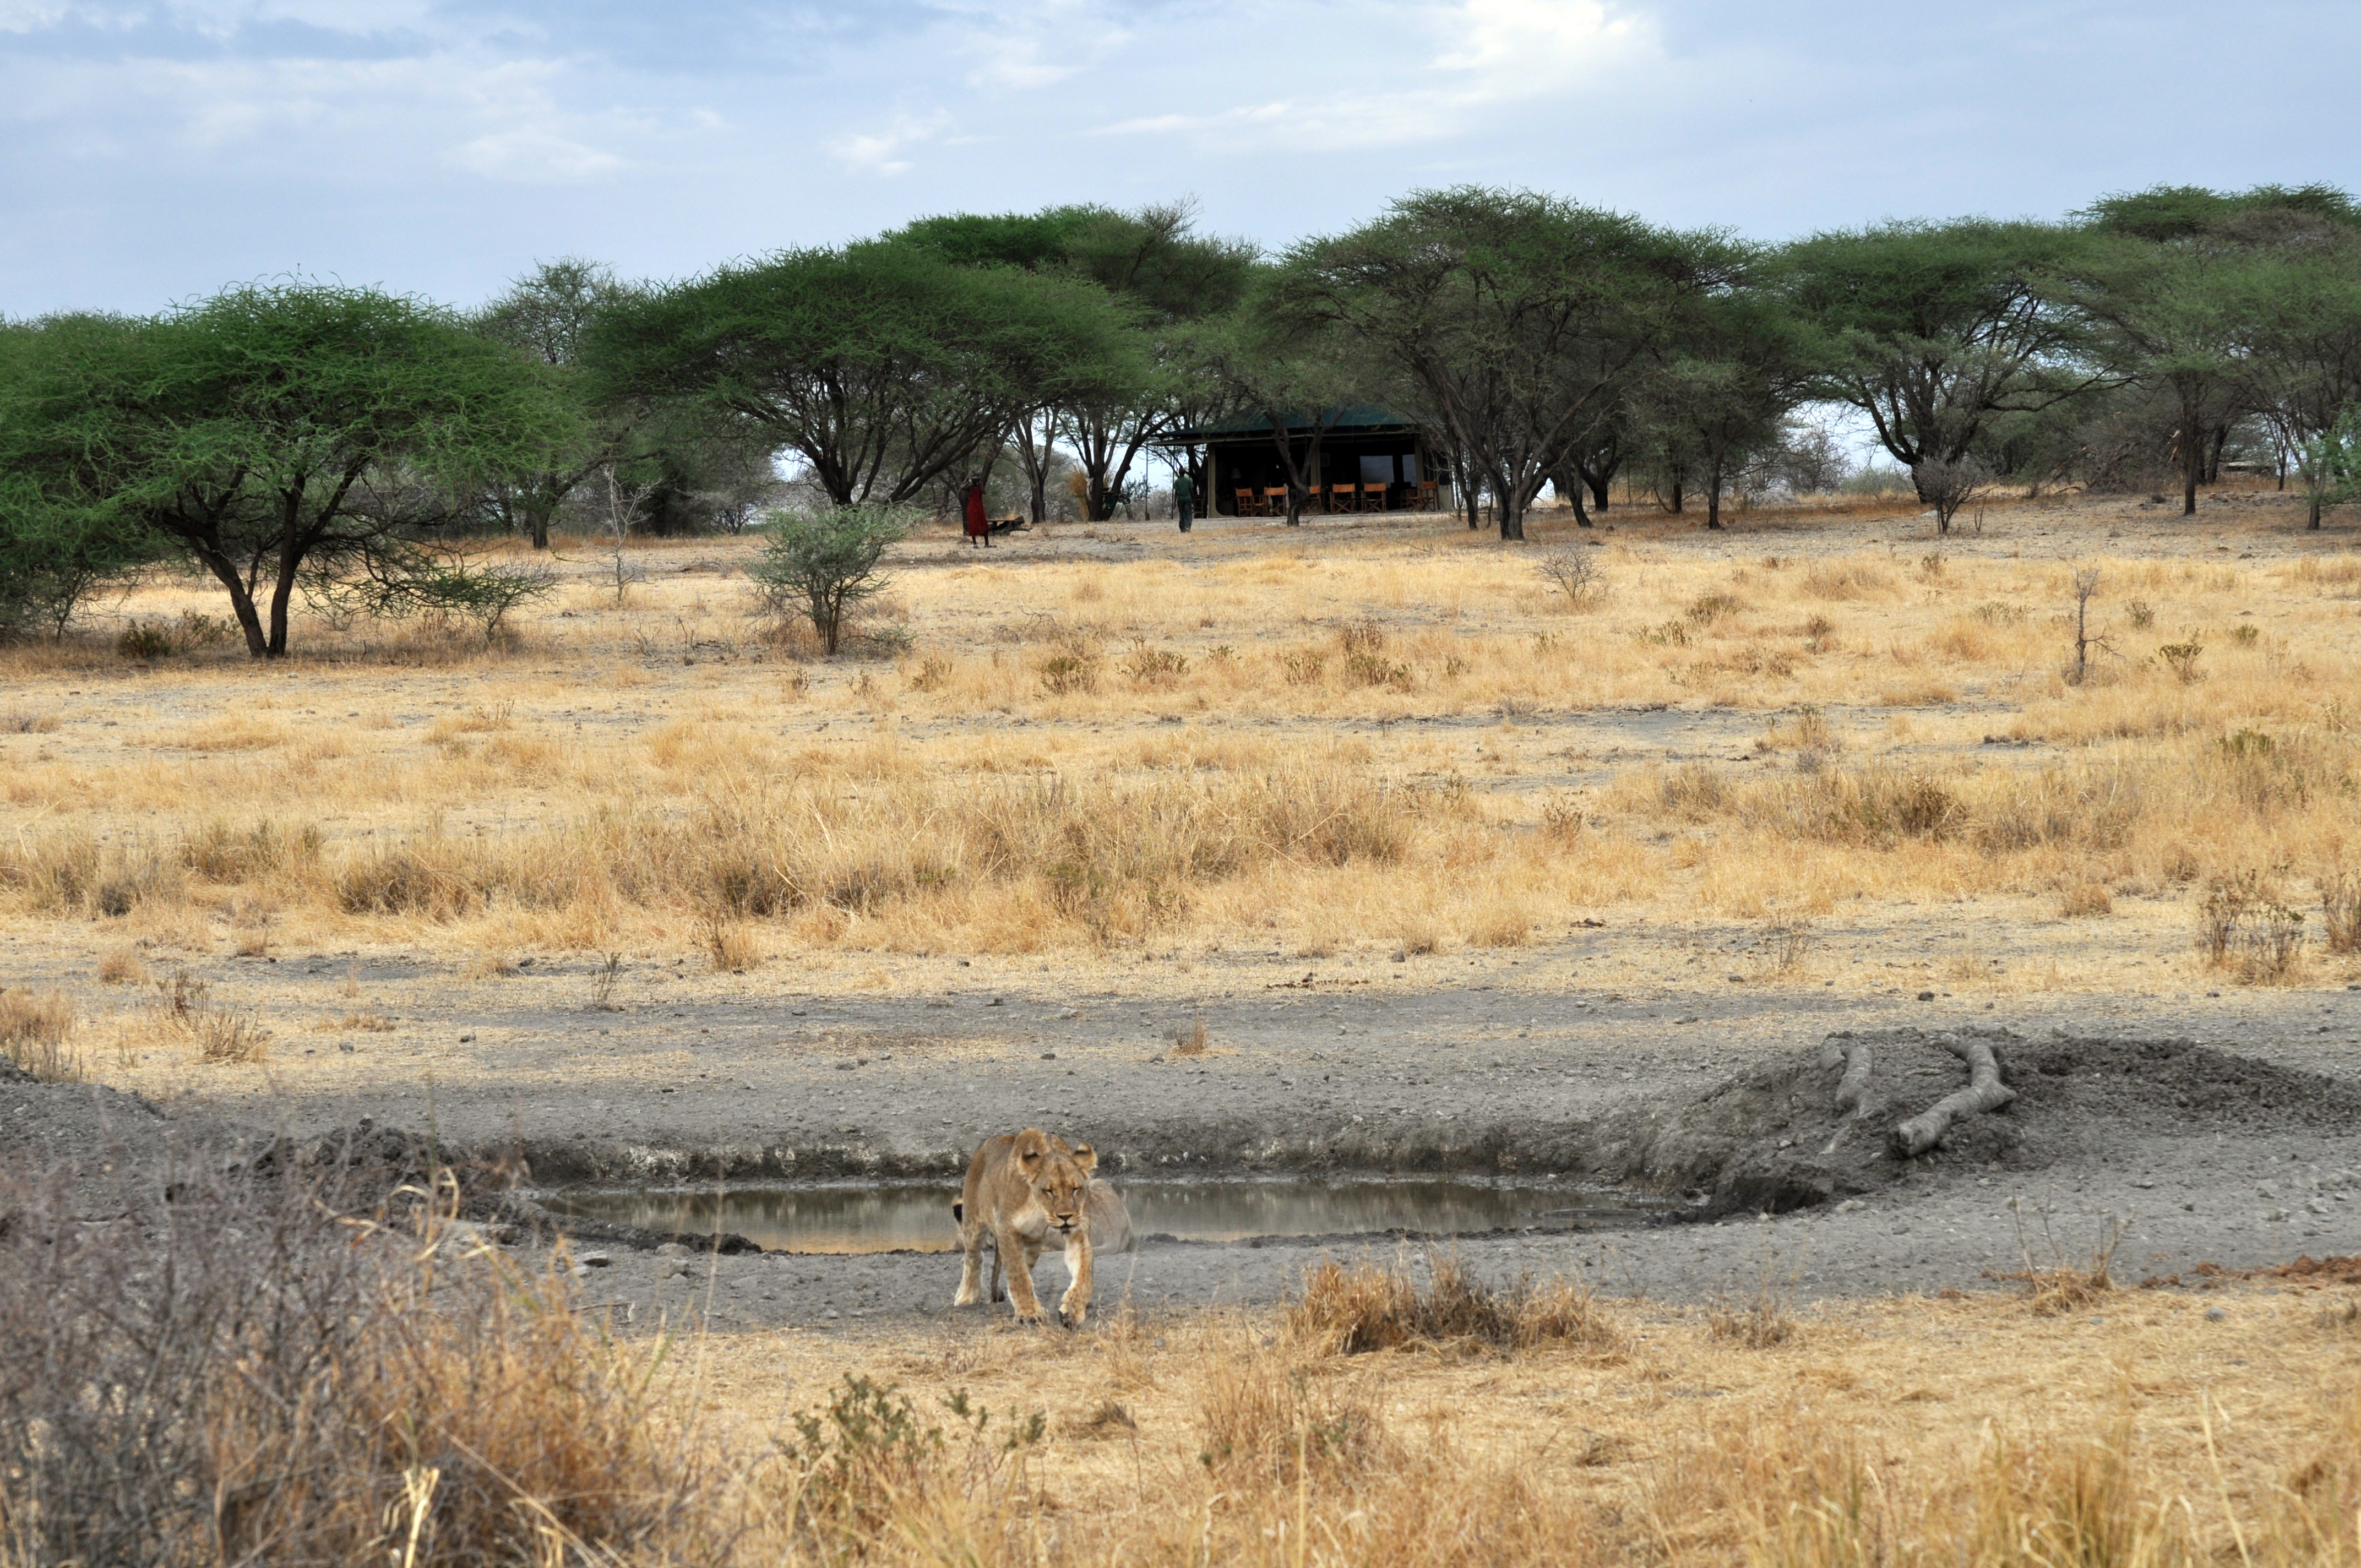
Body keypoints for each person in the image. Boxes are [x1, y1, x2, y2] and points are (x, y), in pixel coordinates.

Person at [962, 477, 990, 548]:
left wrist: (980, 484)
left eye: (976, 481)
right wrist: (969, 481)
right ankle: (975, 544)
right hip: (972, 508)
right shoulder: (969, 488)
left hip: (980, 508)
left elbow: (985, 492)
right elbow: (962, 487)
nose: (975, 482)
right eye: (974, 481)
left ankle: (987, 544)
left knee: (984, 525)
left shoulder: (979, 488)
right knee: (973, 525)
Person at [1173, 470, 1194, 534]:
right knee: (1188, 513)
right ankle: (1188, 526)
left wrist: (1175, 502)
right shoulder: (1188, 481)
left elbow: (1176, 492)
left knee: (1182, 514)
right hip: (1188, 499)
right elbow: (1191, 491)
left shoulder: (1177, 482)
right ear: (1185, 473)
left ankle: (1182, 528)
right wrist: (1193, 499)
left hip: (1180, 499)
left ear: (1179, 473)